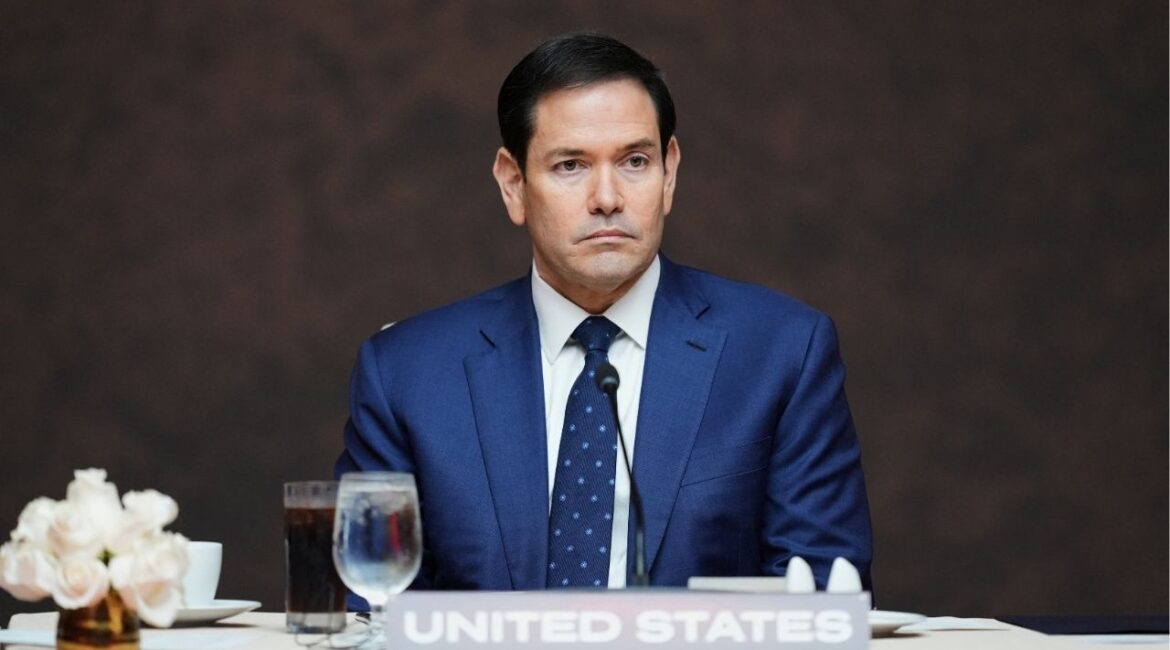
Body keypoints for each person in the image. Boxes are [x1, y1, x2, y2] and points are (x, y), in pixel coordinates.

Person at [335, 32, 873, 594]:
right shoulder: (406, 373)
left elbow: (823, 596)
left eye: (635, 161)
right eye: (571, 165)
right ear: (513, 183)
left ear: (670, 172)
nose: (607, 197)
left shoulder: (782, 352)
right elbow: (370, 608)